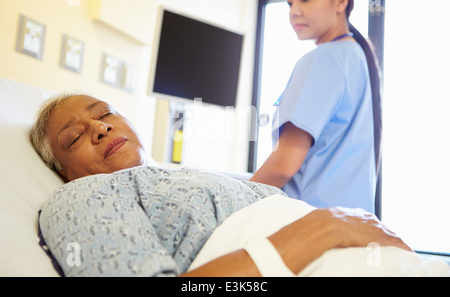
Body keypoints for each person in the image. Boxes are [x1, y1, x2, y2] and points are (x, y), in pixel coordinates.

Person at [31, 94, 411, 277]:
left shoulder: (182, 175)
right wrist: (326, 227)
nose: (100, 127)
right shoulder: (81, 197)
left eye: (104, 114)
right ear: (63, 170)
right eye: (74, 136)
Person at [250, 0, 382, 214]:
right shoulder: (356, 58)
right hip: (350, 228)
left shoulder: (324, 59)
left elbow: (283, 166)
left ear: (341, 0)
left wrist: (233, 203)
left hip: (309, 224)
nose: (294, 12)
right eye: (289, 2)